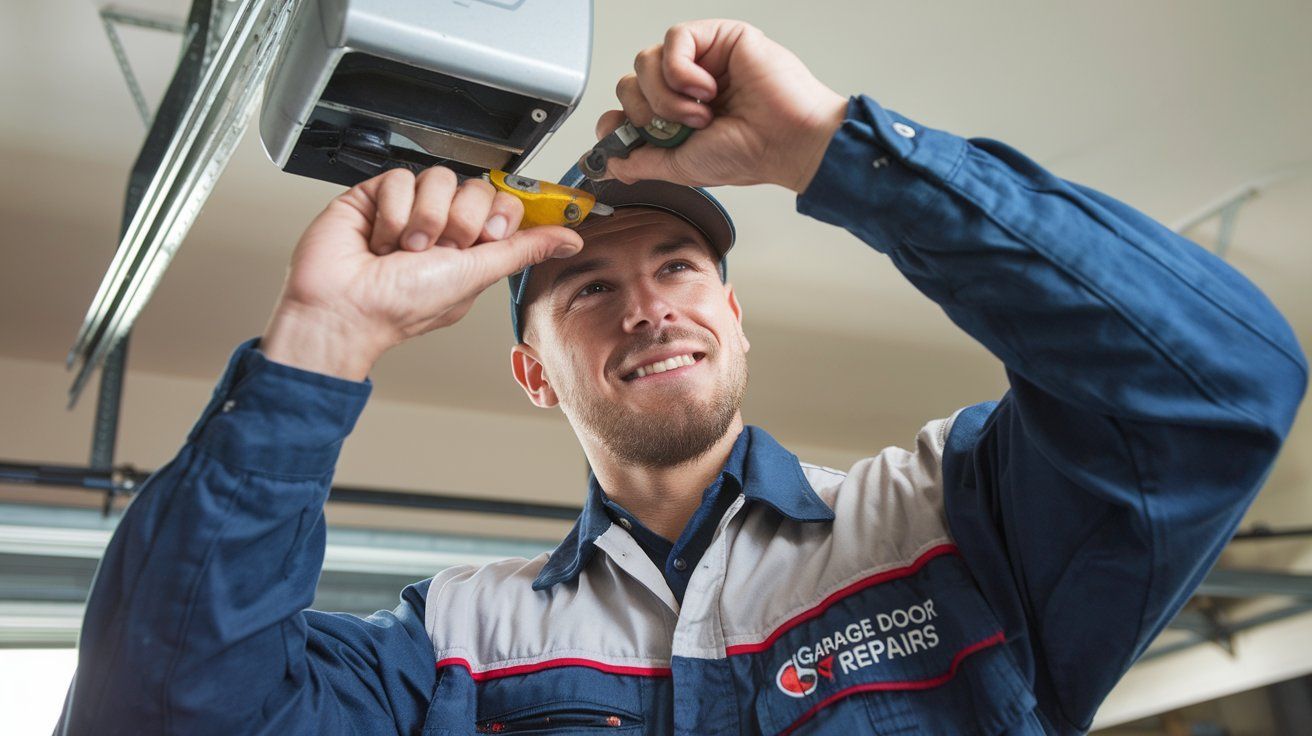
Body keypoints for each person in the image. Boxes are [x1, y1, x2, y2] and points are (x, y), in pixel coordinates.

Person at [58, 18, 1305, 736]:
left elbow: (1215, 388)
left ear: (735, 320)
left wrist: (833, 150)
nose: (646, 300)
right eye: (587, 287)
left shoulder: (947, 519)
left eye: (677, 266)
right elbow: (159, 711)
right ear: (533, 376)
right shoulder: (449, 641)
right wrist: (318, 342)